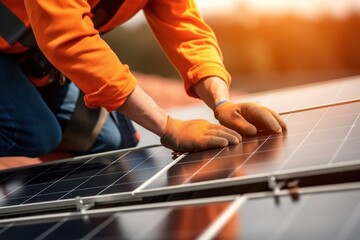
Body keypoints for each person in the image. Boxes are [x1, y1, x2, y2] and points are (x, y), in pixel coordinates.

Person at [0, 0, 286, 157]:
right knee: (35, 133)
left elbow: (184, 26)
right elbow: (69, 39)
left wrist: (222, 101)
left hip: (28, 60)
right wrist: (168, 126)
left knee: (109, 140)